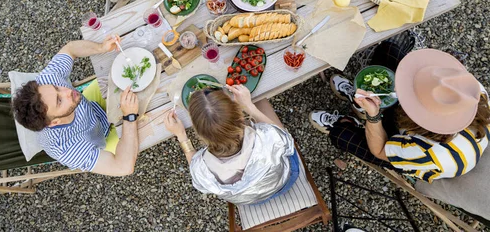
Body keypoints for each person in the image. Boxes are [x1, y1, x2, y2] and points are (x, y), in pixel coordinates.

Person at [310, 49, 490, 182]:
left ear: (420, 122)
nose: (400, 90)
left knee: (342, 135)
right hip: (425, 134)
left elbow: (380, 151)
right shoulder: (470, 91)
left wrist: (373, 116)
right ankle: (358, 100)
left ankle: (353, 120)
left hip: (412, 156)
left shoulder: (427, 152)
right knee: (388, 51)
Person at [12, 36, 141, 176]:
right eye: (59, 100)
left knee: (133, 72)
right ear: (54, 122)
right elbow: (123, 167)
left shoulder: (46, 82)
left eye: (57, 87)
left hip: (92, 107)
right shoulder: (66, 148)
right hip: (103, 135)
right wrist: (129, 116)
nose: (67, 91)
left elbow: (70, 48)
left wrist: (101, 47)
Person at [164, 84, 299, 205]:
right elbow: (284, 138)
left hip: (251, 199)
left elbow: (194, 164)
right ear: (240, 115)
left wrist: (181, 135)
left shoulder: (202, 168)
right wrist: (250, 106)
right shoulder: (267, 136)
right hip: (285, 180)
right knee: (259, 97)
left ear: (200, 135)